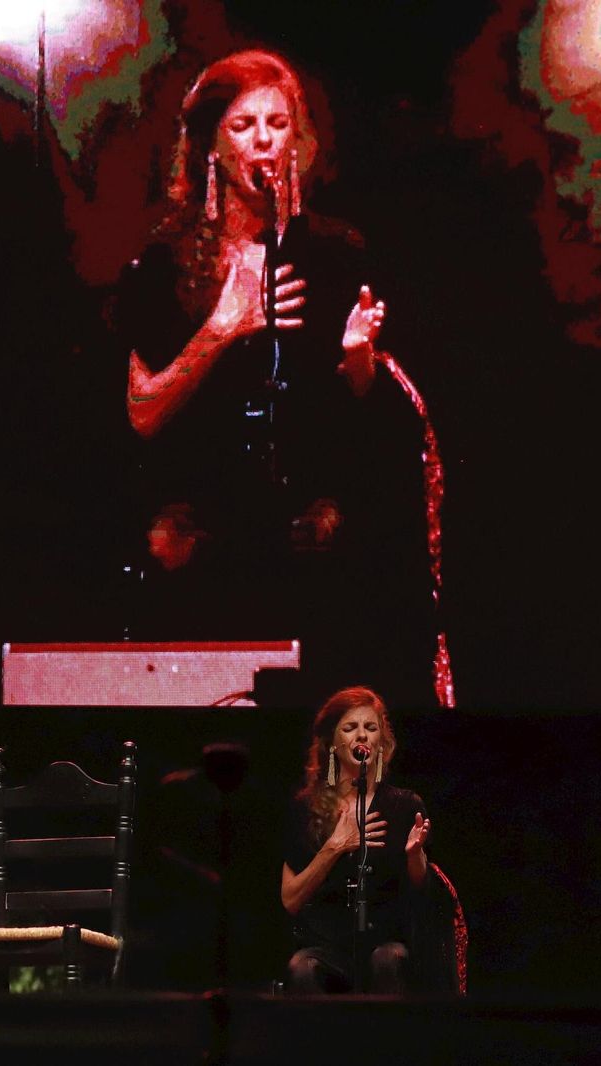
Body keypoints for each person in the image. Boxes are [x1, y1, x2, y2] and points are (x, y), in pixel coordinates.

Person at [111, 51, 428, 699]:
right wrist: (222, 328)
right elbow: (141, 413)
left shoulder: (335, 253)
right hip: (202, 530)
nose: (263, 141)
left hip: (309, 530)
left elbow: (366, 419)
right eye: (243, 125)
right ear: (211, 145)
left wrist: (359, 359)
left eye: (277, 124)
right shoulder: (164, 261)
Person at [281, 686, 431, 994]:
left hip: (384, 942)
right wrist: (336, 845)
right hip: (327, 947)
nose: (361, 735)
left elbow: (421, 888)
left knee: (389, 959)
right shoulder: (306, 809)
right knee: (303, 966)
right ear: (333, 744)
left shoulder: (404, 805)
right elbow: (291, 899)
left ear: (381, 742)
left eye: (370, 728)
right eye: (350, 728)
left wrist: (415, 856)